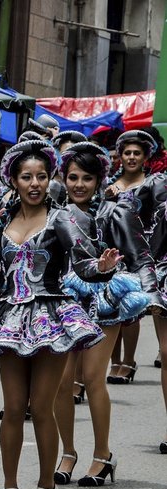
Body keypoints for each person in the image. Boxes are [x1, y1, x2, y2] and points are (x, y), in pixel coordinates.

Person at [0, 140, 119, 489]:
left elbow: (84, 262)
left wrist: (101, 268)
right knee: (12, 408)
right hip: (9, 316)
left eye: (41, 176)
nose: (35, 183)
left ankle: (45, 486)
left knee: (41, 407)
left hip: (50, 315)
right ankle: (9, 486)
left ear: (50, 177)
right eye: (27, 177)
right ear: (13, 180)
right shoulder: (1, 219)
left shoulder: (62, 219)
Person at [53, 142, 159, 487]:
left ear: (100, 180)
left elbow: (141, 255)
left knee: (94, 377)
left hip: (105, 301)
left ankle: (102, 455)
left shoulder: (117, 212)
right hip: (65, 302)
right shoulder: (57, 214)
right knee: (62, 384)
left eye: (86, 178)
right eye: (72, 178)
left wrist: (151, 294)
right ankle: (67, 453)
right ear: (64, 179)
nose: (79, 184)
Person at [105, 130, 161, 384]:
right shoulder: (107, 184)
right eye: (127, 152)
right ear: (120, 156)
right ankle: (113, 361)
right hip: (110, 251)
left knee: (132, 307)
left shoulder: (152, 184)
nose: (131, 157)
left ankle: (129, 361)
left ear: (145, 157)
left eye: (136, 153)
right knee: (111, 305)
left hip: (138, 250)